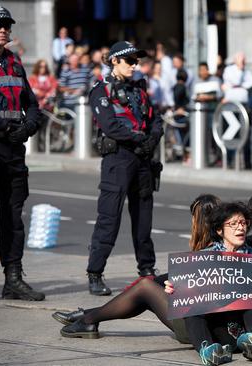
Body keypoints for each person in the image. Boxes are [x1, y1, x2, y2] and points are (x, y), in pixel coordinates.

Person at [53, 195, 234, 361]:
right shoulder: (230, 248)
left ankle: (88, 320)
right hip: (219, 328)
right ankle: (89, 315)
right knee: (147, 290)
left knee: (144, 288)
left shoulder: (206, 254)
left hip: (200, 330)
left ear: (199, 222)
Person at [86, 41, 164, 295]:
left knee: (144, 219)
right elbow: (111, 126)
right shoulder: (101, 90)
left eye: (136, 61)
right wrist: (141, 139)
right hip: (118, 159)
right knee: (109, 218)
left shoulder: (140, 90)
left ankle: (147, 269)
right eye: (129, 60)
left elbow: (156, 120)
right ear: (114, 61)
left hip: (142, 160)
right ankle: (95, 273)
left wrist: (152, 139)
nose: (134, 65)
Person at [0, 5, 45, 305]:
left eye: (7, 25)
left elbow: (31, 102)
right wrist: (6, 126)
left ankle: (13, 279)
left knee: (13, 218)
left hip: (14, 149)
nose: (3, 29)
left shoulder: (15, 63)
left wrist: (30, 125)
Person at [166, 202, 252, 365]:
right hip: (218, 330)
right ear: (219, 230)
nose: (240, 228)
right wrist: (174, 287)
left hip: (244, 329)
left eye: (243, 223)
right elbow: (178, 285)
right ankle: (208, 351)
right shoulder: (202, 258)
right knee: (193, 306)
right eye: (233, 224)